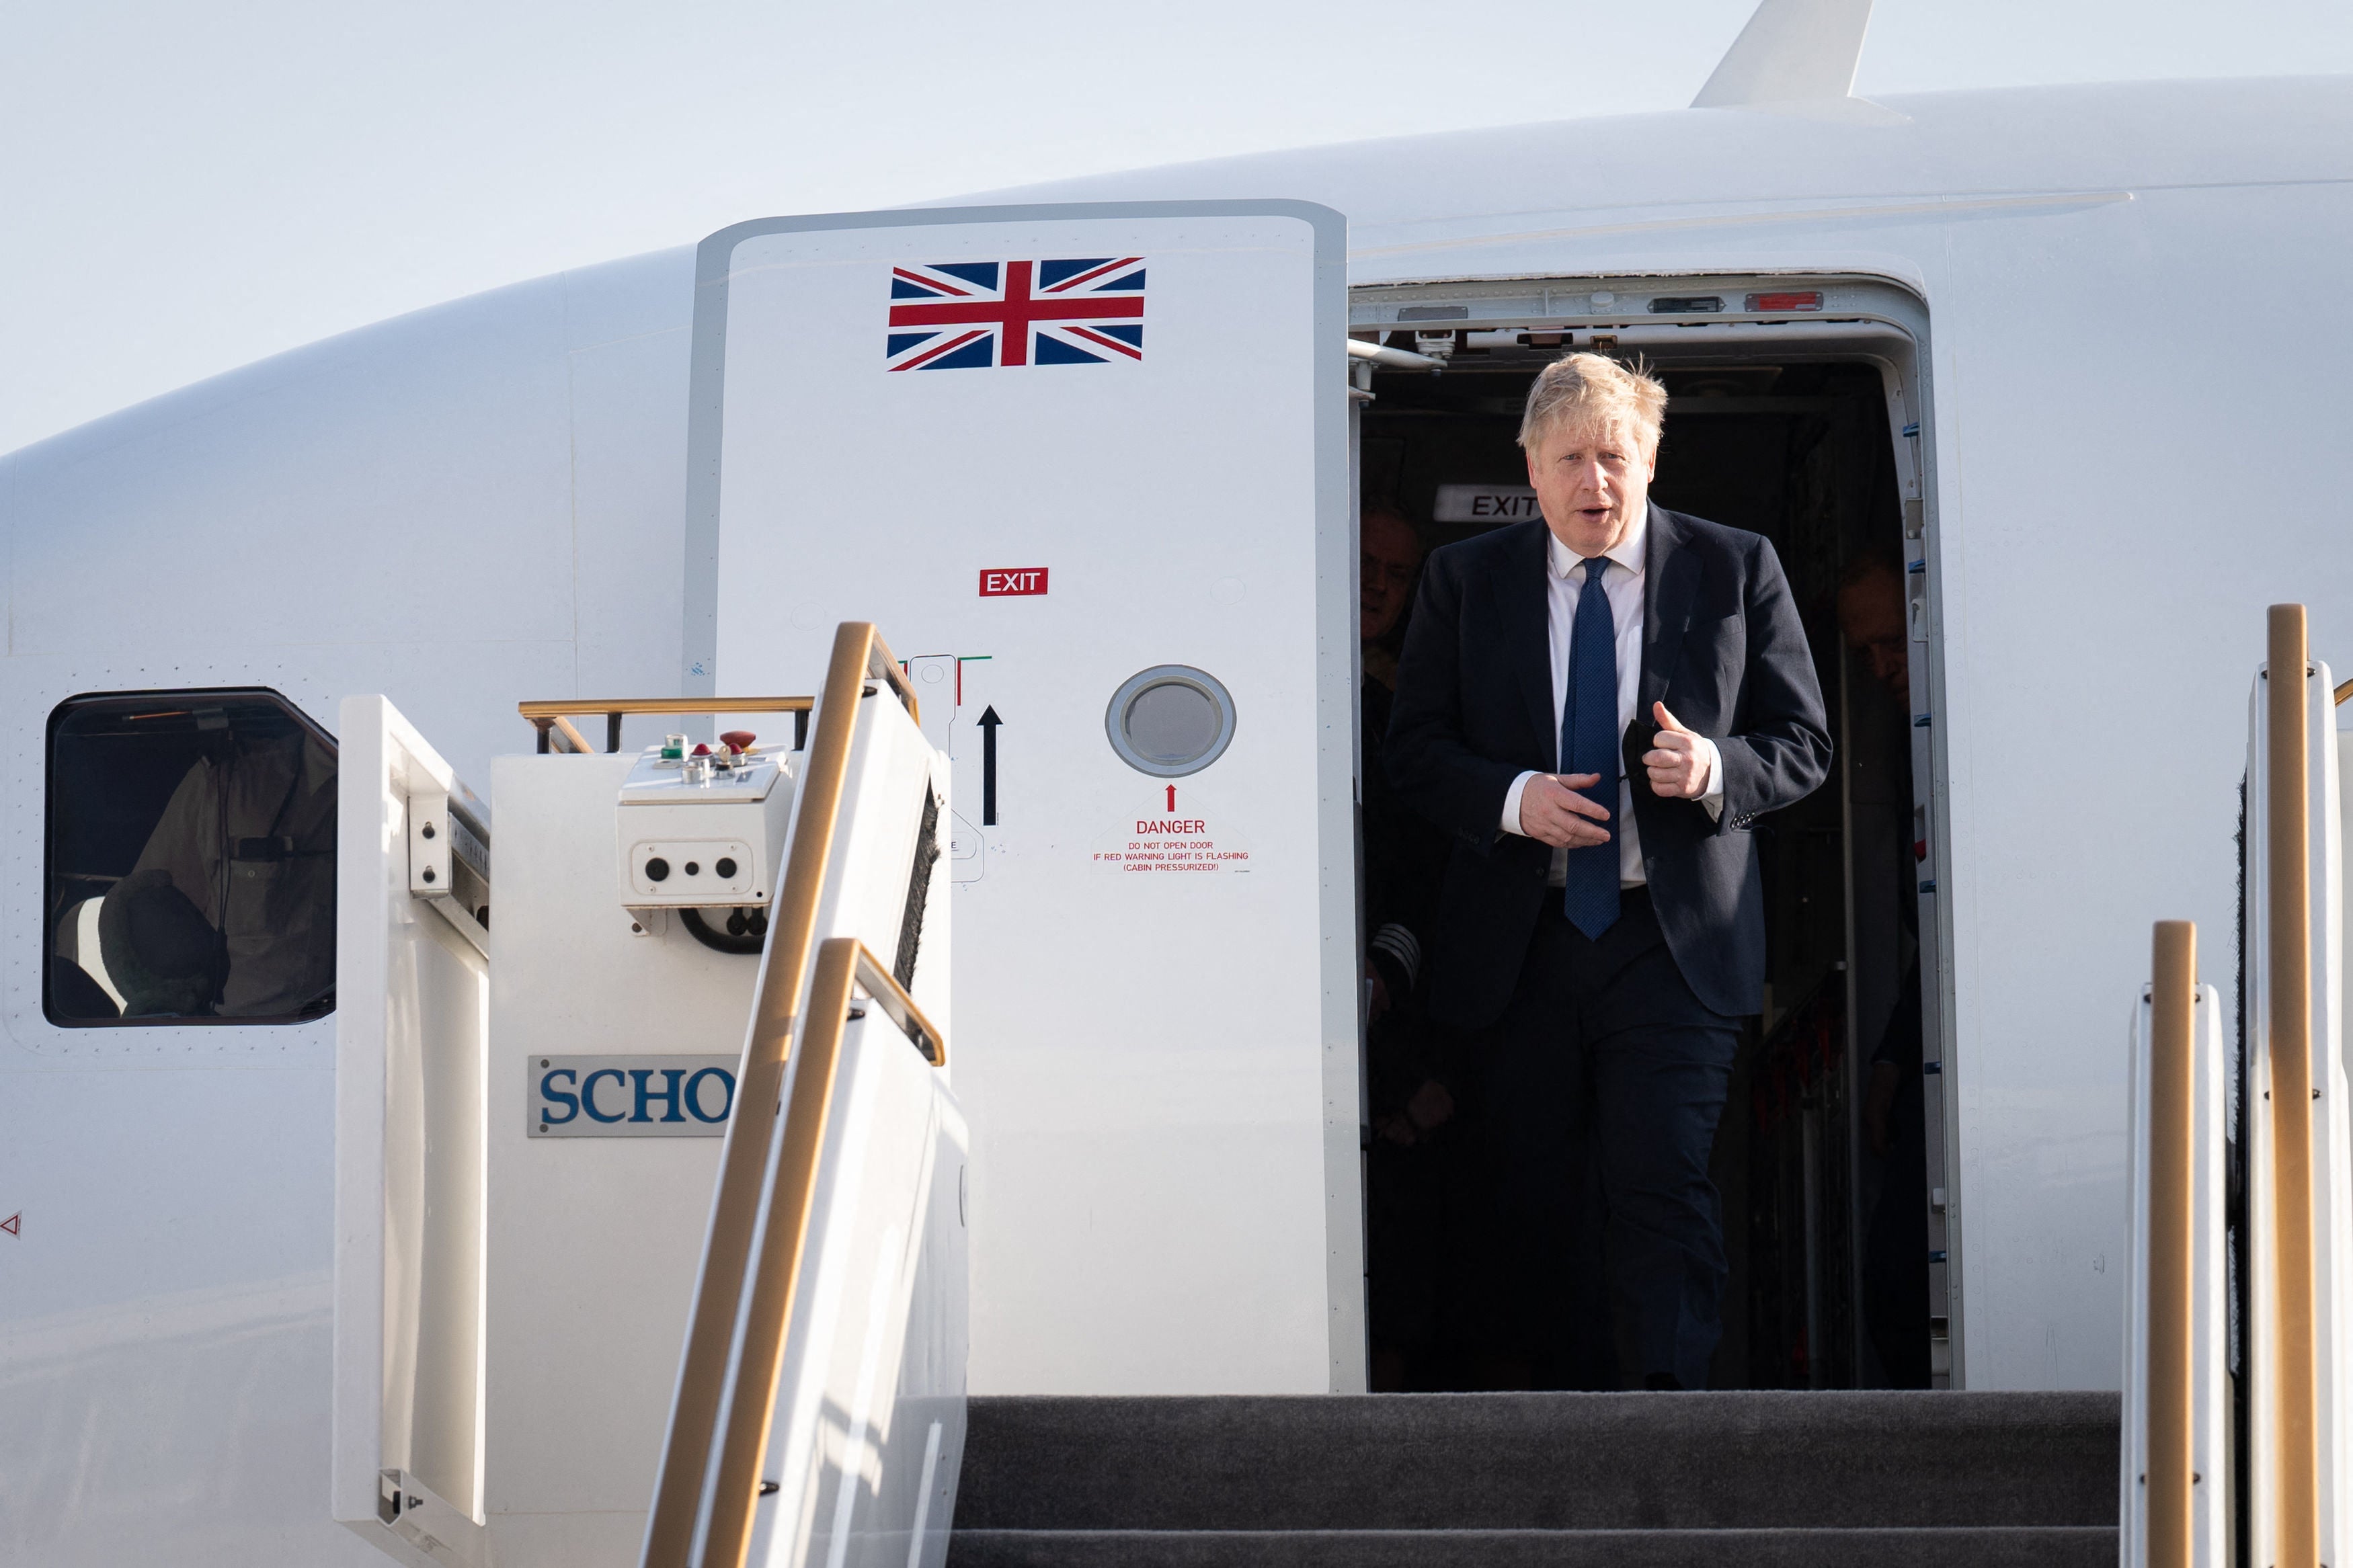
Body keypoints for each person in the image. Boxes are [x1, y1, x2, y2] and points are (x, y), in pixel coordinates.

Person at [1384, 353, 1832, 1391]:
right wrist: (1512, 800)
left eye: (1616, 457)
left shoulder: (1736, 567)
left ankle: (1674, 1430)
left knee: (1663, 1183)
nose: (1596, 483)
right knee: (1533, 1196)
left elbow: (1805, 743)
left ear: (1653, 459)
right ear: (1531, 469)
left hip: (1671, 947)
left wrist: (1717, 766)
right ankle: (1555, 1435)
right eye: (1572, 459)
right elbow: (1413, 754)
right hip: (1521, 942)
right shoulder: (1466, 581)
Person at [1838, 551, 1932, 1388]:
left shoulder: (1965, 744)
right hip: (1926, 1034)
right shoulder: (1913, 747)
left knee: (1905, 1281)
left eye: (1889, 641)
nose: (1880, 666)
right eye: (1863, 653)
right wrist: (1890, 1058)